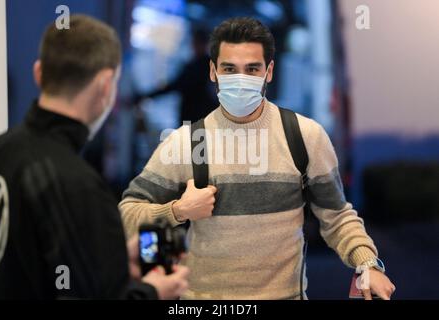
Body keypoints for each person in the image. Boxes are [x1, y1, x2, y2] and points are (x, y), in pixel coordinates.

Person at [119, 17, 395, 300]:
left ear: (269, 71)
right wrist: (177, 211)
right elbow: (127, 214)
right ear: (213, 71)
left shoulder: (304, 136)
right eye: (229, 69)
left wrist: (368, 264)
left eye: (252, 69)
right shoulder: (186, 142)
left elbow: (336, 216)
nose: (240, 80)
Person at [0, 15, 189, 300]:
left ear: (38, 73)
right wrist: (154, 293)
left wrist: (111, 262)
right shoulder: (78, 184)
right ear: (106, 85)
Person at [134, 27, 218, 124]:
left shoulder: (196, 67)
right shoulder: (212, 67)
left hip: (193, 119)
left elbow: (175, 86)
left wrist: (145, 96)